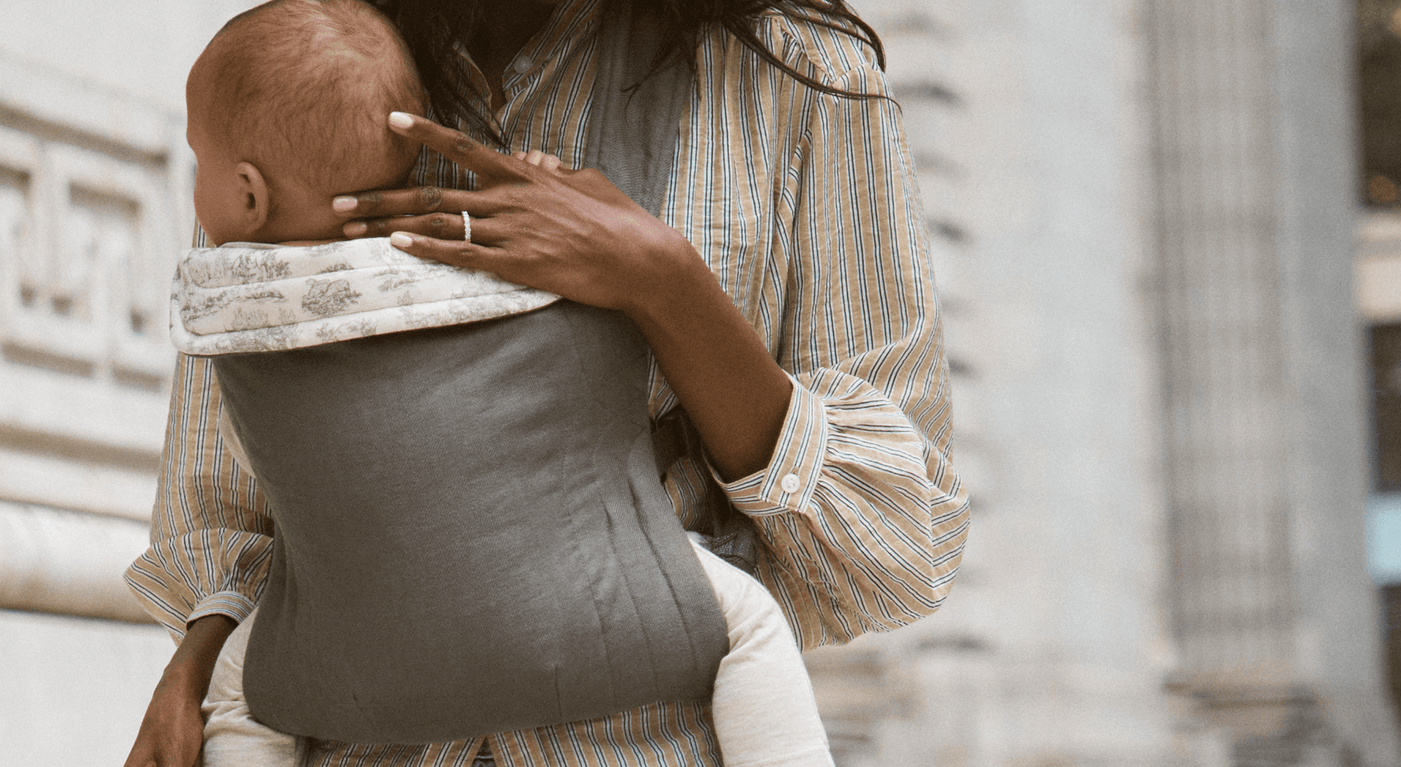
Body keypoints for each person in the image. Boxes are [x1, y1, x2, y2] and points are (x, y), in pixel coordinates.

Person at [125, 0, 972, 764]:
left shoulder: (799, 81)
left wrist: (664, 284)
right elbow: (227, 511)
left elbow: (898, 548)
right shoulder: (289, 81)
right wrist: (199, 664)